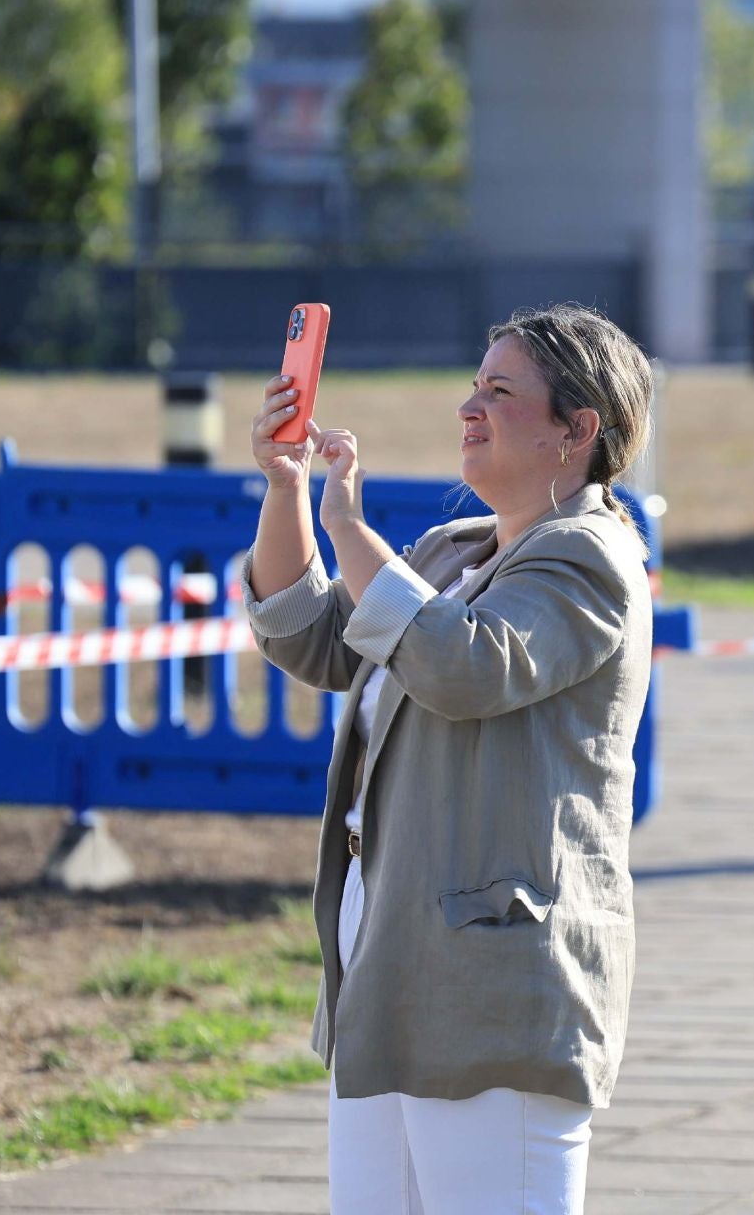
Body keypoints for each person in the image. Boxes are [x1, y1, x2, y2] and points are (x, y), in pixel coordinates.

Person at [242, 304, 655, 1214]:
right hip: (389, 954)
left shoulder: (593, 558)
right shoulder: (449, 550)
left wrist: (348, 526)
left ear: (577, 430)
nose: (470, 408)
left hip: (498, 979)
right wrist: (286, 488)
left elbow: (468, 667)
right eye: (473, 387)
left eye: (500, 393)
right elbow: (310, 641)